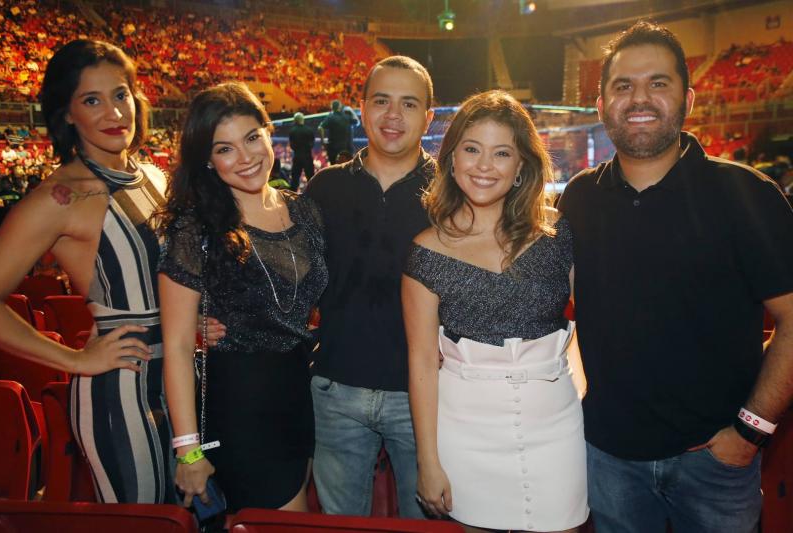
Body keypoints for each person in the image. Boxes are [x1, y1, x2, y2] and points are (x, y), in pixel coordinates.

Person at [558, 21, 793, 533]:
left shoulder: (745, 194)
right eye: (623, 86)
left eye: (658, 83)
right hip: (608, 459)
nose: (639, 98)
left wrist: (750, 432)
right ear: (601, 105)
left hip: (715, 463)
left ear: (687, 99)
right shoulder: (579, 197)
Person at [0, 39, 198, 504]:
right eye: (92, 100)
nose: (114, 112)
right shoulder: (60, 197)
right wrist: (74, 360)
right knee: (144, 523)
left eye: (120, 94)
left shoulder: (155, 176)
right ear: (67, 114)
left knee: (190, 517)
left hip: (182, 381)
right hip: (119, 393)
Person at [404, 90, 587, 533]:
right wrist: (428, 460)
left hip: (556, 426)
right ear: (451, 159)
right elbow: (422, 362)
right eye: (472, 149)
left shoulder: (558, 234)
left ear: (522, 165)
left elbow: (599, 322)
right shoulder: (425, 252)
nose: (484, 166)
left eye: (501, 153)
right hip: (464, 432)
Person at [156, 82, 327, 513]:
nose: (246, 157)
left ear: (269, 133)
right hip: (241, 405)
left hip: (300, 395)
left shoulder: (304, 210)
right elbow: (177, 345)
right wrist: (188, 451)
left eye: (252, 138)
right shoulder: (195, 228)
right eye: (225, 149)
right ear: (207, 160)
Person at [306, 55, 435, 518]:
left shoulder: (452, 191)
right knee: (341, 526)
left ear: (428, 117)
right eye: (382, 101)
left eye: (408, 103)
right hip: (336, 390)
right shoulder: (324, 188)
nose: (393, 115)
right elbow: (289, 278)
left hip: (423, 397)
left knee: (428, 526)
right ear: (361, 109)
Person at [318, 99, 352, 165]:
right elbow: (356, 121)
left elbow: (320, 128)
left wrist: (323, 141)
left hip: (333, 147)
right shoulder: (346, 117)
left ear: (332, 107)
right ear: (340, 107)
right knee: (344, 166)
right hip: (345, 147)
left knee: (333, 166)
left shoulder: (330, 117)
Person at [288, 112, 315, 192]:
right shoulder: (309, 130)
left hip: (297, 156)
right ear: (303, 120)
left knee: (295, 179)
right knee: (311, 178)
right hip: (307, 156)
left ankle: (293, 195)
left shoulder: (292, 131)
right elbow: (312, 144)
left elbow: (292, 145)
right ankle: (313, 194)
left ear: (295, 120)